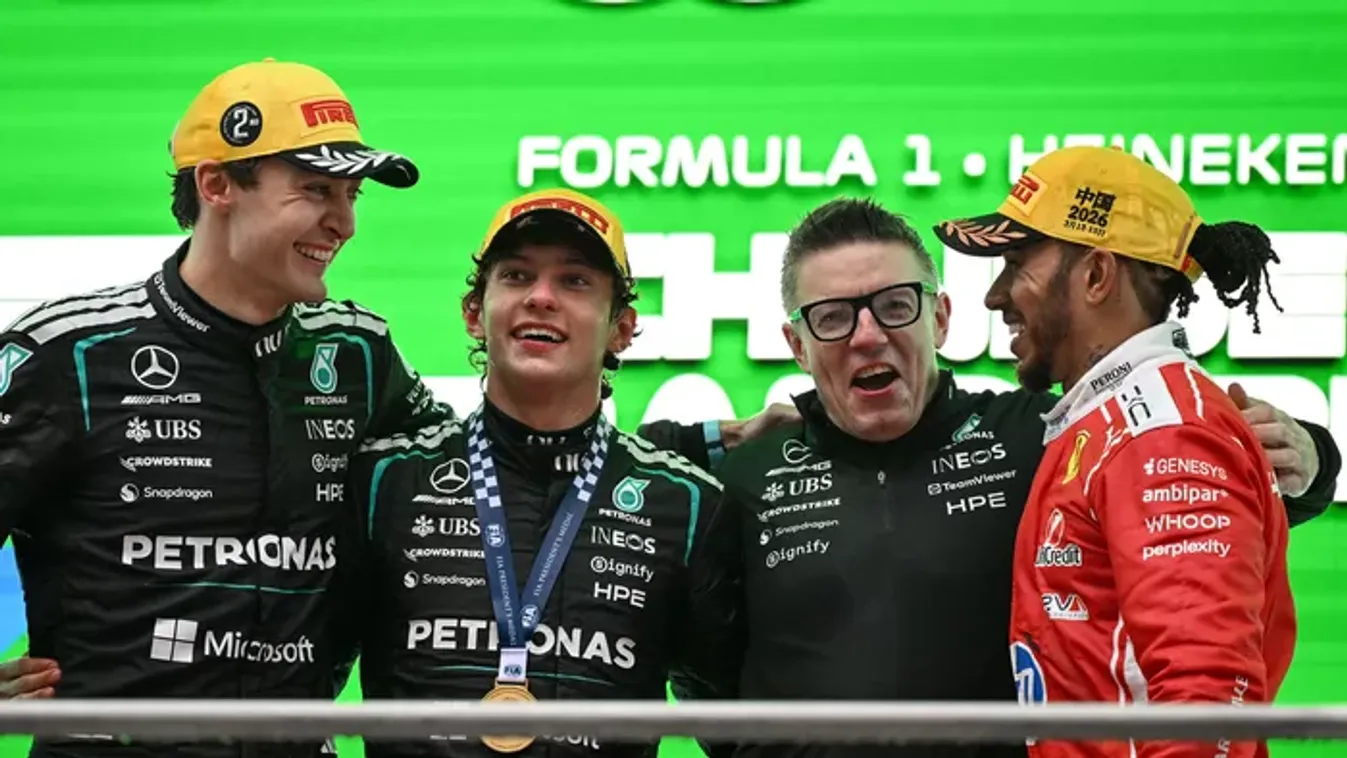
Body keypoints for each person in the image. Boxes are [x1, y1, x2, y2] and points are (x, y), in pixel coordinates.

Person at [635, 196, 1338, 758]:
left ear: (939, 318)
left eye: (894, 304)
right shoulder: (746, 475)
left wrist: (1309, 457)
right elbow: (701, 663)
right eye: (832, 317)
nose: (867, 334)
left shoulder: (1042, 434)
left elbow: (1198, 506)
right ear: (796, 344)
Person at [0, 58, 447, 757]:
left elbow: (472, 499)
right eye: (316, 190)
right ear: (216, 185)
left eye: (352, 195)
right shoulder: (69, 353)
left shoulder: (358, 354)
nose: (344, 223)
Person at [349, 188, 743, 758]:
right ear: (473, 314)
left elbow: (737, 732)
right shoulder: (386, 481)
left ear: (621, 328)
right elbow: (300, 681)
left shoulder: (685, 505)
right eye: (516, 276)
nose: (540, 297)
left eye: (574, 281)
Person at [935, 145, 1301, 758]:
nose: (995, 296)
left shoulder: (1160, 430)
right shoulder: (1112, 419)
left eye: (1016, 264)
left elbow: (1204, 700)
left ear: (1097, 276)